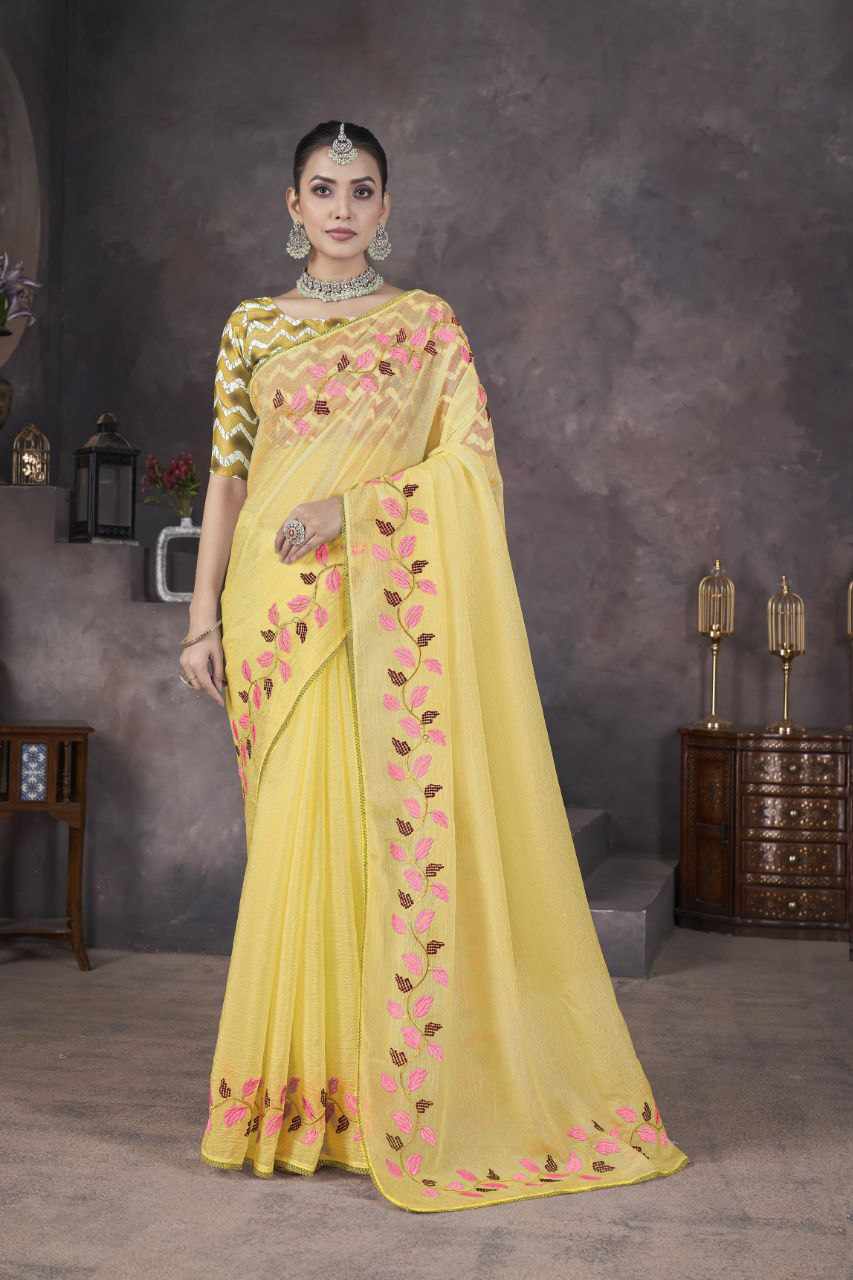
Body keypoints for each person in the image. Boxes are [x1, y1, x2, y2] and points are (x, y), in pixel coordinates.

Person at [185, 119, 689, 1213]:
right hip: (273, 610)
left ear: (386, 206)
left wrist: (352, 511)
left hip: (376, 602)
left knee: (380, 839)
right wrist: (200, 620)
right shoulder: (250, 329)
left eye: (361, 189)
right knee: (293, 850)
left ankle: (383, 1101)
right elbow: (226, 479)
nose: (342, 208)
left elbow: (469, 468)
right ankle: (298, 1103)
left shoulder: (426, 327)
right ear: (290, 205)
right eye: (323, 189)